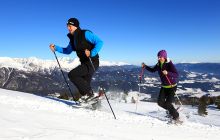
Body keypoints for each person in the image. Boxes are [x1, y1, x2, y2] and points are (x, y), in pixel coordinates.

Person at [50, 18, 103, 101]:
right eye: (67, 26)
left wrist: (92, 53)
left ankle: (90, 95)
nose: (68, 28)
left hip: (92, 62)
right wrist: (56, 48)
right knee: (84, 84)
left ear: (76, 26)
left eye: (70, 26)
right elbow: (67, 51)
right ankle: (93, 103)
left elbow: (100, 42)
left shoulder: (85, 34)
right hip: (84, 63)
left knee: (72, 75)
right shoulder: (72, 39)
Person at [142, 50, 180, 121]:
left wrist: (168, 73)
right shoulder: (158, 64)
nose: (159, 58)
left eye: (160, 57)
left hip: (172, 86)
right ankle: (173, 111)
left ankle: (176, 117)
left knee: (168, 103)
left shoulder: (169, 64)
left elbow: (176, 74)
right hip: (164, 86)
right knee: (160, 103)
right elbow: (153, 70)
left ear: (164, 57)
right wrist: (145, 66)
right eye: (158, 57)